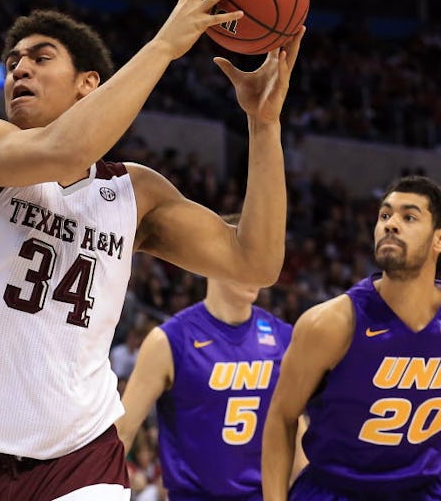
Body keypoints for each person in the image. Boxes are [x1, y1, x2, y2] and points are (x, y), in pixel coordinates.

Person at [0, 0, 304, 500]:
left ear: (89, 84)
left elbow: (257, 262)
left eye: (39, 57)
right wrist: (167, 43)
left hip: (83, 458)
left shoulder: (135, 193)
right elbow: (67, 149)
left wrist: (263, 125)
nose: (18, 70)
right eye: (13, 62)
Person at [263, 175, 441, 500]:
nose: (390, 225)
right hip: (339, 490)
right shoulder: (330, 323)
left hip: (428, 490)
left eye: (408, 217)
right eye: (385, 215)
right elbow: (281, 417)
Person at [116, 213, 304, 500]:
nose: (260, 265)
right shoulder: (169, 341)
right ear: (214, 255)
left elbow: (295, 430)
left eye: (264, 254)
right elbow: (122, 433)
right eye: (249, 252)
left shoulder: (284, 337)